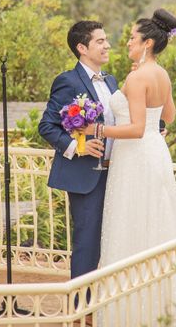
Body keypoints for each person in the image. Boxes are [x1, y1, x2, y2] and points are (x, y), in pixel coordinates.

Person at [83, 8, 176, 326]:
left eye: (132, 38)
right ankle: (158, 309)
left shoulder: (137, 77)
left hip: (135, 157)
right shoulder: (162, 74)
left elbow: (136, 128)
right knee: (154, 224)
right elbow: (170, 115)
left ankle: (127, 313)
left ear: (148, 44)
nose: (127, 43)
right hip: (156, 153)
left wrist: (94, 131)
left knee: (130, 223)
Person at [38, 20, 118, 283]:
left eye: (106, 40)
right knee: (87, 243)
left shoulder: (111, 81)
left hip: (116, 173)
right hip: (86, 178)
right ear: (82, 47)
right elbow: (47, 126)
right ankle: (80, 308)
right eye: (100, 41)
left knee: (113, 239)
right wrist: (78, 147)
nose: (107, 45)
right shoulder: (68, 81)